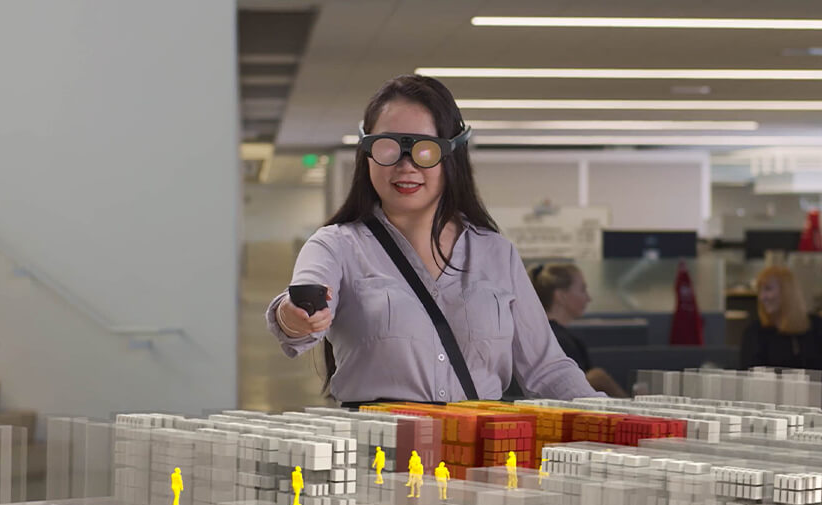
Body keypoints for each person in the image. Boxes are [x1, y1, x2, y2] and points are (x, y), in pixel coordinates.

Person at [266, 74, 601, 404]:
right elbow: (298, 310)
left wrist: (608, 419)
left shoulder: (496, 253)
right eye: (388, 147)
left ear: (452, 153)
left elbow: (547, 370)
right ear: (366, 152)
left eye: (425, 150)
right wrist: (296, 316)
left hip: (478, 451)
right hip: (380, 452)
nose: (406, 165)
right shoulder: (336, 246)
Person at [529, 263, 627, 397]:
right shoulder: (558, 341)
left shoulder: (543, 335)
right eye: (582, 290)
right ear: (560, 296)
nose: (588, 298)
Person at [740, 265, 822, 383]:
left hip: (816, 398)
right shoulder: (754, 332)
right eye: (760, 291)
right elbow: (750, 377)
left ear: (787, 292)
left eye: (768, 289)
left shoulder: (819, 327)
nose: (762, 297)